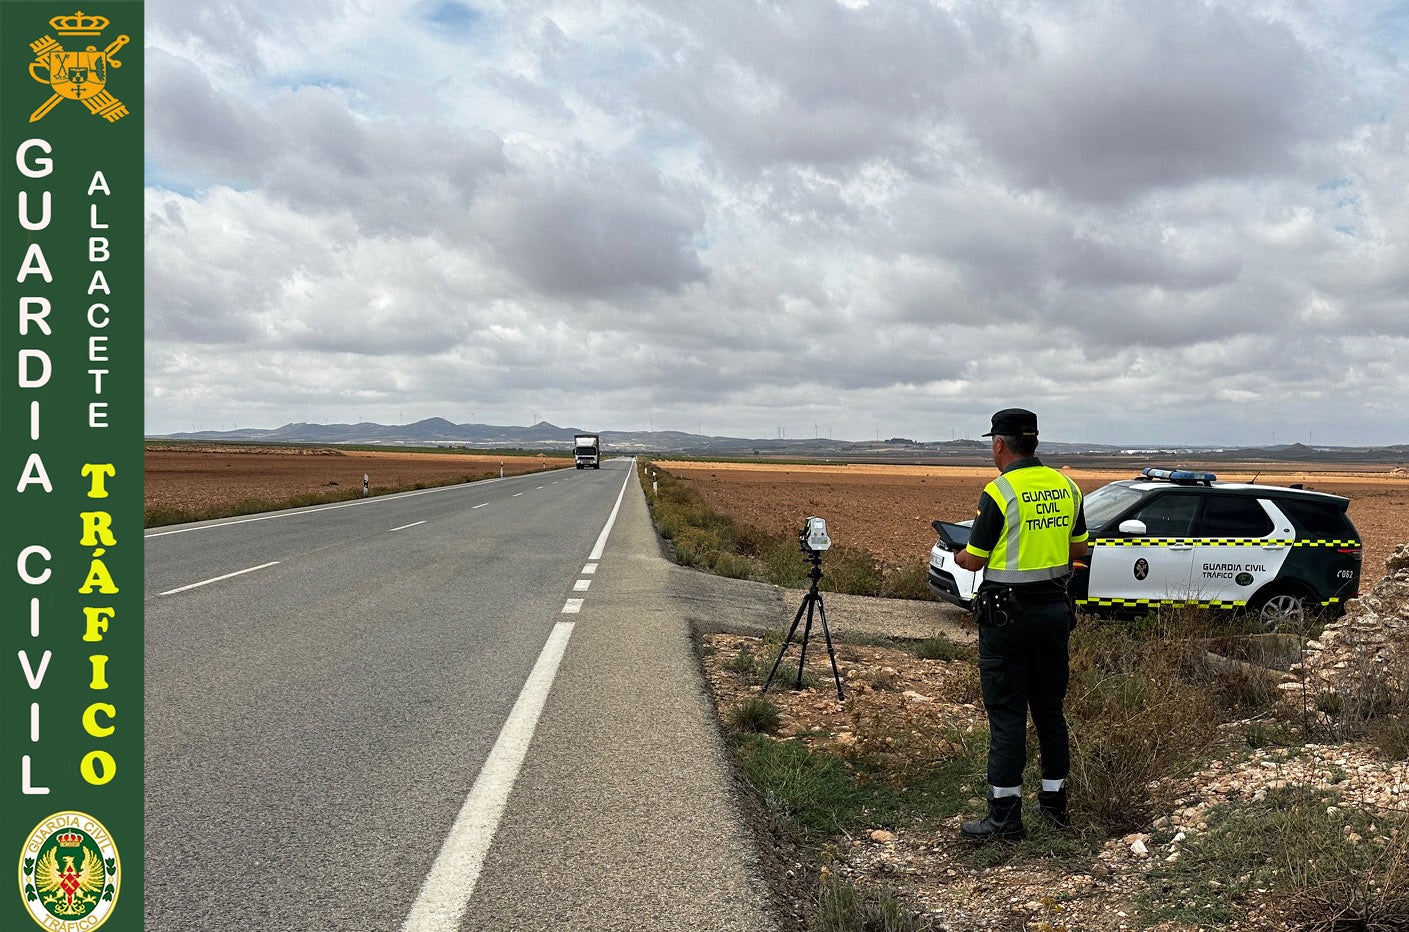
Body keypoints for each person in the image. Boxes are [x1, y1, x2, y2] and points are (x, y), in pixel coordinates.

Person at [953, 408, 1089, 841]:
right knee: (1050, 709)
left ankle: (1005, 818)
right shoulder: (1068, 487)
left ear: (999, 444)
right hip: (1053, 614)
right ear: (1034, 442)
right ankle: (1054, 806)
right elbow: (1078, 550)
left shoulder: (1000, 491)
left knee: (1008, 714)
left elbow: (974, 558)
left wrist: (959, 554)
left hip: (1006, 618)